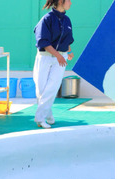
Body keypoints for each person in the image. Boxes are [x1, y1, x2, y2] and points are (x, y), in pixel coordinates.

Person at [33, 0, 74, 129]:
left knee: (52, 87)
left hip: (60, 58)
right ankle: (48, 114)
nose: (71, 3)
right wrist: (58, 55)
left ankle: (40, 118)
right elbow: (43, 42)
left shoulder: (67, 20)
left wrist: (69, 51)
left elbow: (66, 40)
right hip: (45, 57)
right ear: (61, 1)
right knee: (41, 89)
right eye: (69, 0)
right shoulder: (46, 19)